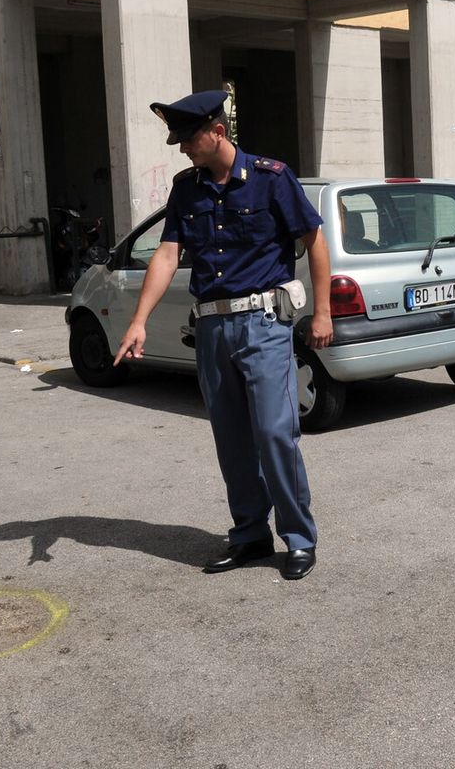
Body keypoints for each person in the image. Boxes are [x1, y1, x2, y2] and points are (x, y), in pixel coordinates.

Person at [112, 90, 332, 580]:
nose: (183, 147)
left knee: (275, 432)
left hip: (264, 324)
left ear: (217, 131)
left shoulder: (272, 179)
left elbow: (313, 240)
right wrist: (139, 319)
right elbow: (168, 254)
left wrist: (323, 312)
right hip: (211, 326)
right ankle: (250, 534)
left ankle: (298, 538)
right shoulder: (186, 189)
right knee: (231, 440)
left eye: (188, 138)